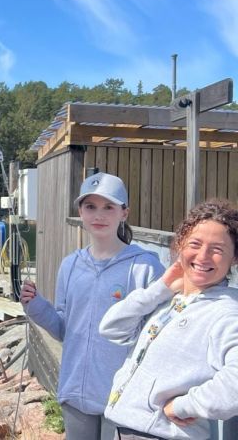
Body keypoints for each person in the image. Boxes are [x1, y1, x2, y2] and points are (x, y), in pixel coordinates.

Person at [20, 172, 164, 440]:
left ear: (124, 213)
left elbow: (156, 337)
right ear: (80, 213)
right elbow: (65, 329)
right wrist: (36, 306)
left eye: (109, 207)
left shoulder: (145, 266)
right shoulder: (70, 265)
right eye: (91, 207)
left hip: (123, 399)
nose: (99, 215)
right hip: (75, 394)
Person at [100, 199, 238, 440]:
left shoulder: (226, 313)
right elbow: (111, 327)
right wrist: (161, 288)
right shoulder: (171, 300)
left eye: (217, 250)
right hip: (128, 429)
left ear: (234, 258)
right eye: (194, 243)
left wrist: (185, 405)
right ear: (181, 245)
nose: (203, 256)